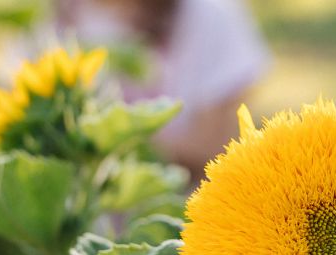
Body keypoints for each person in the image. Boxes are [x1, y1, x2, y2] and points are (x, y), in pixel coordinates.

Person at [43, 0, 270, 178]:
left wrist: (103, 143)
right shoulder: (45, 19)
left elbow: (215, 147)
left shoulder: (210, 16)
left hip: (183, 224)